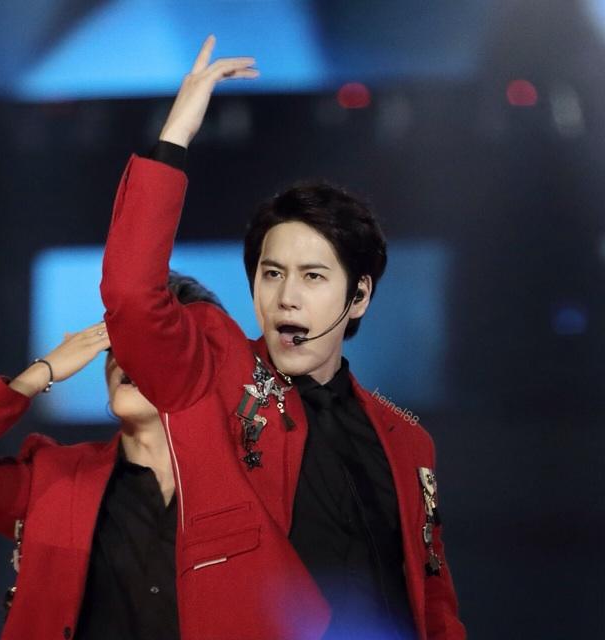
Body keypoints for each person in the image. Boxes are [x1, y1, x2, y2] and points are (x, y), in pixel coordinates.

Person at [100, 35, 466, 639]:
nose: (286, 296)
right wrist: (175, 138)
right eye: (272, 274)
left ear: (359, 296)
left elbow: (434, 599)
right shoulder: (215, 377)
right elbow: (132, 297)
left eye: (312, 276)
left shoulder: (407, 439)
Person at [0, 273, 226, 640]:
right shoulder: (53, 477)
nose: (126, 357)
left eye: (153, 341)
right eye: (118, 342)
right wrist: (38, 374)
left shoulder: (245, 489)